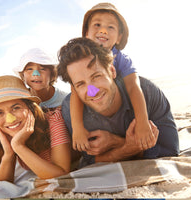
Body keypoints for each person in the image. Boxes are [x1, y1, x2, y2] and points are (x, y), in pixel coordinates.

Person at [57, 37, 179, 168]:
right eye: (80, 84)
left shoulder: (147, 92)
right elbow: (91, 161)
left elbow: (170, 151)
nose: (92, 91)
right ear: (74, 89)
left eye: (96, 76)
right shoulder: (70, 110)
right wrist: (127, 147)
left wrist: (116, 143)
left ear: (112, 71)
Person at [70, 2, 155, 152]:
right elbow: (76, 94)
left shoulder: (122, 59)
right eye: (97, 25)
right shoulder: (80, 60)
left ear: (118, 37)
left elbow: (134, 87)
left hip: (121, 108)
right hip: (98, 109)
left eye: (111, 27)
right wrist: (77, 128)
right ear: (86, 33)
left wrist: (142, 122)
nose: (103, 30)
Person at [0, 75, 71, 182]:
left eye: (16, 108)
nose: (10, 119)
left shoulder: (54, 121)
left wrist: (18, 146)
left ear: (30, 108)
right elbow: (0, 183)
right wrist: (9, 153)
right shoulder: (5, 133)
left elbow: (61, 174)